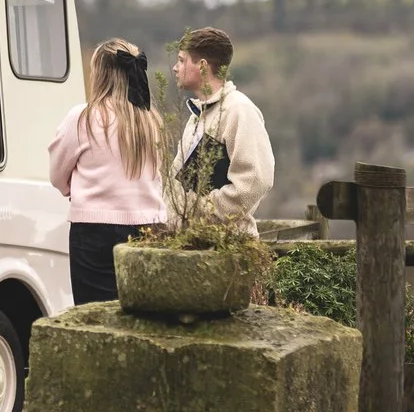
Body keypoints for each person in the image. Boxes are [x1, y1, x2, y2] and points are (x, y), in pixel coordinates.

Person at [49, 38, 165, 305]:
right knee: (142, 317)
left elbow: (57, 175)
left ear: (100, 74)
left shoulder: (83, 118)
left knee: (95, 317)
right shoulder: (151, 121)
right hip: (148, 228)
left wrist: (75, 189)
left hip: (94, 231)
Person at [171, 26, 274, 227]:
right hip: (192, 245)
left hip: (228, 248)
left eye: (182, 60)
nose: (175, 68)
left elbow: (255, 181)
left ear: (202, 66)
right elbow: (178, 185)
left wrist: (201, 211)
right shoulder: (196, 117)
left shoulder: (239, 110)